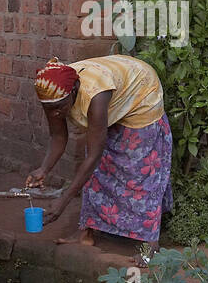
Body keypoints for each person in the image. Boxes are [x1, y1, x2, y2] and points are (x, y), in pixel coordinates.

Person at [26, 55, 173, 249]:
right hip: (117, 87)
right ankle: (86, 233)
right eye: (49, 109)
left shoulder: (96, 95)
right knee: (98, 171)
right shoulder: (53, 95)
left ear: (74, 91)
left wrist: (64, 200)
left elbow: (94, 156)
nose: (55, 114)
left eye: (59, 108)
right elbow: (58, 137)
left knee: (140, 172)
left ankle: (149, 244)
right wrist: (43, 170)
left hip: (141, 92)